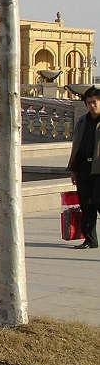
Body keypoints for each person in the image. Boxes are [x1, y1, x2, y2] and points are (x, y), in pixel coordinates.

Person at [67, 85, 100, 250]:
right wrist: (73, 169)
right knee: (86, 205)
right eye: (89, 103)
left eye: (94, 102)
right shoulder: (82, 121)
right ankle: (90, 239)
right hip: (83, 168)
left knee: (98, 201)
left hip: (99, 169)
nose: (91, 106)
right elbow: (76, 146)